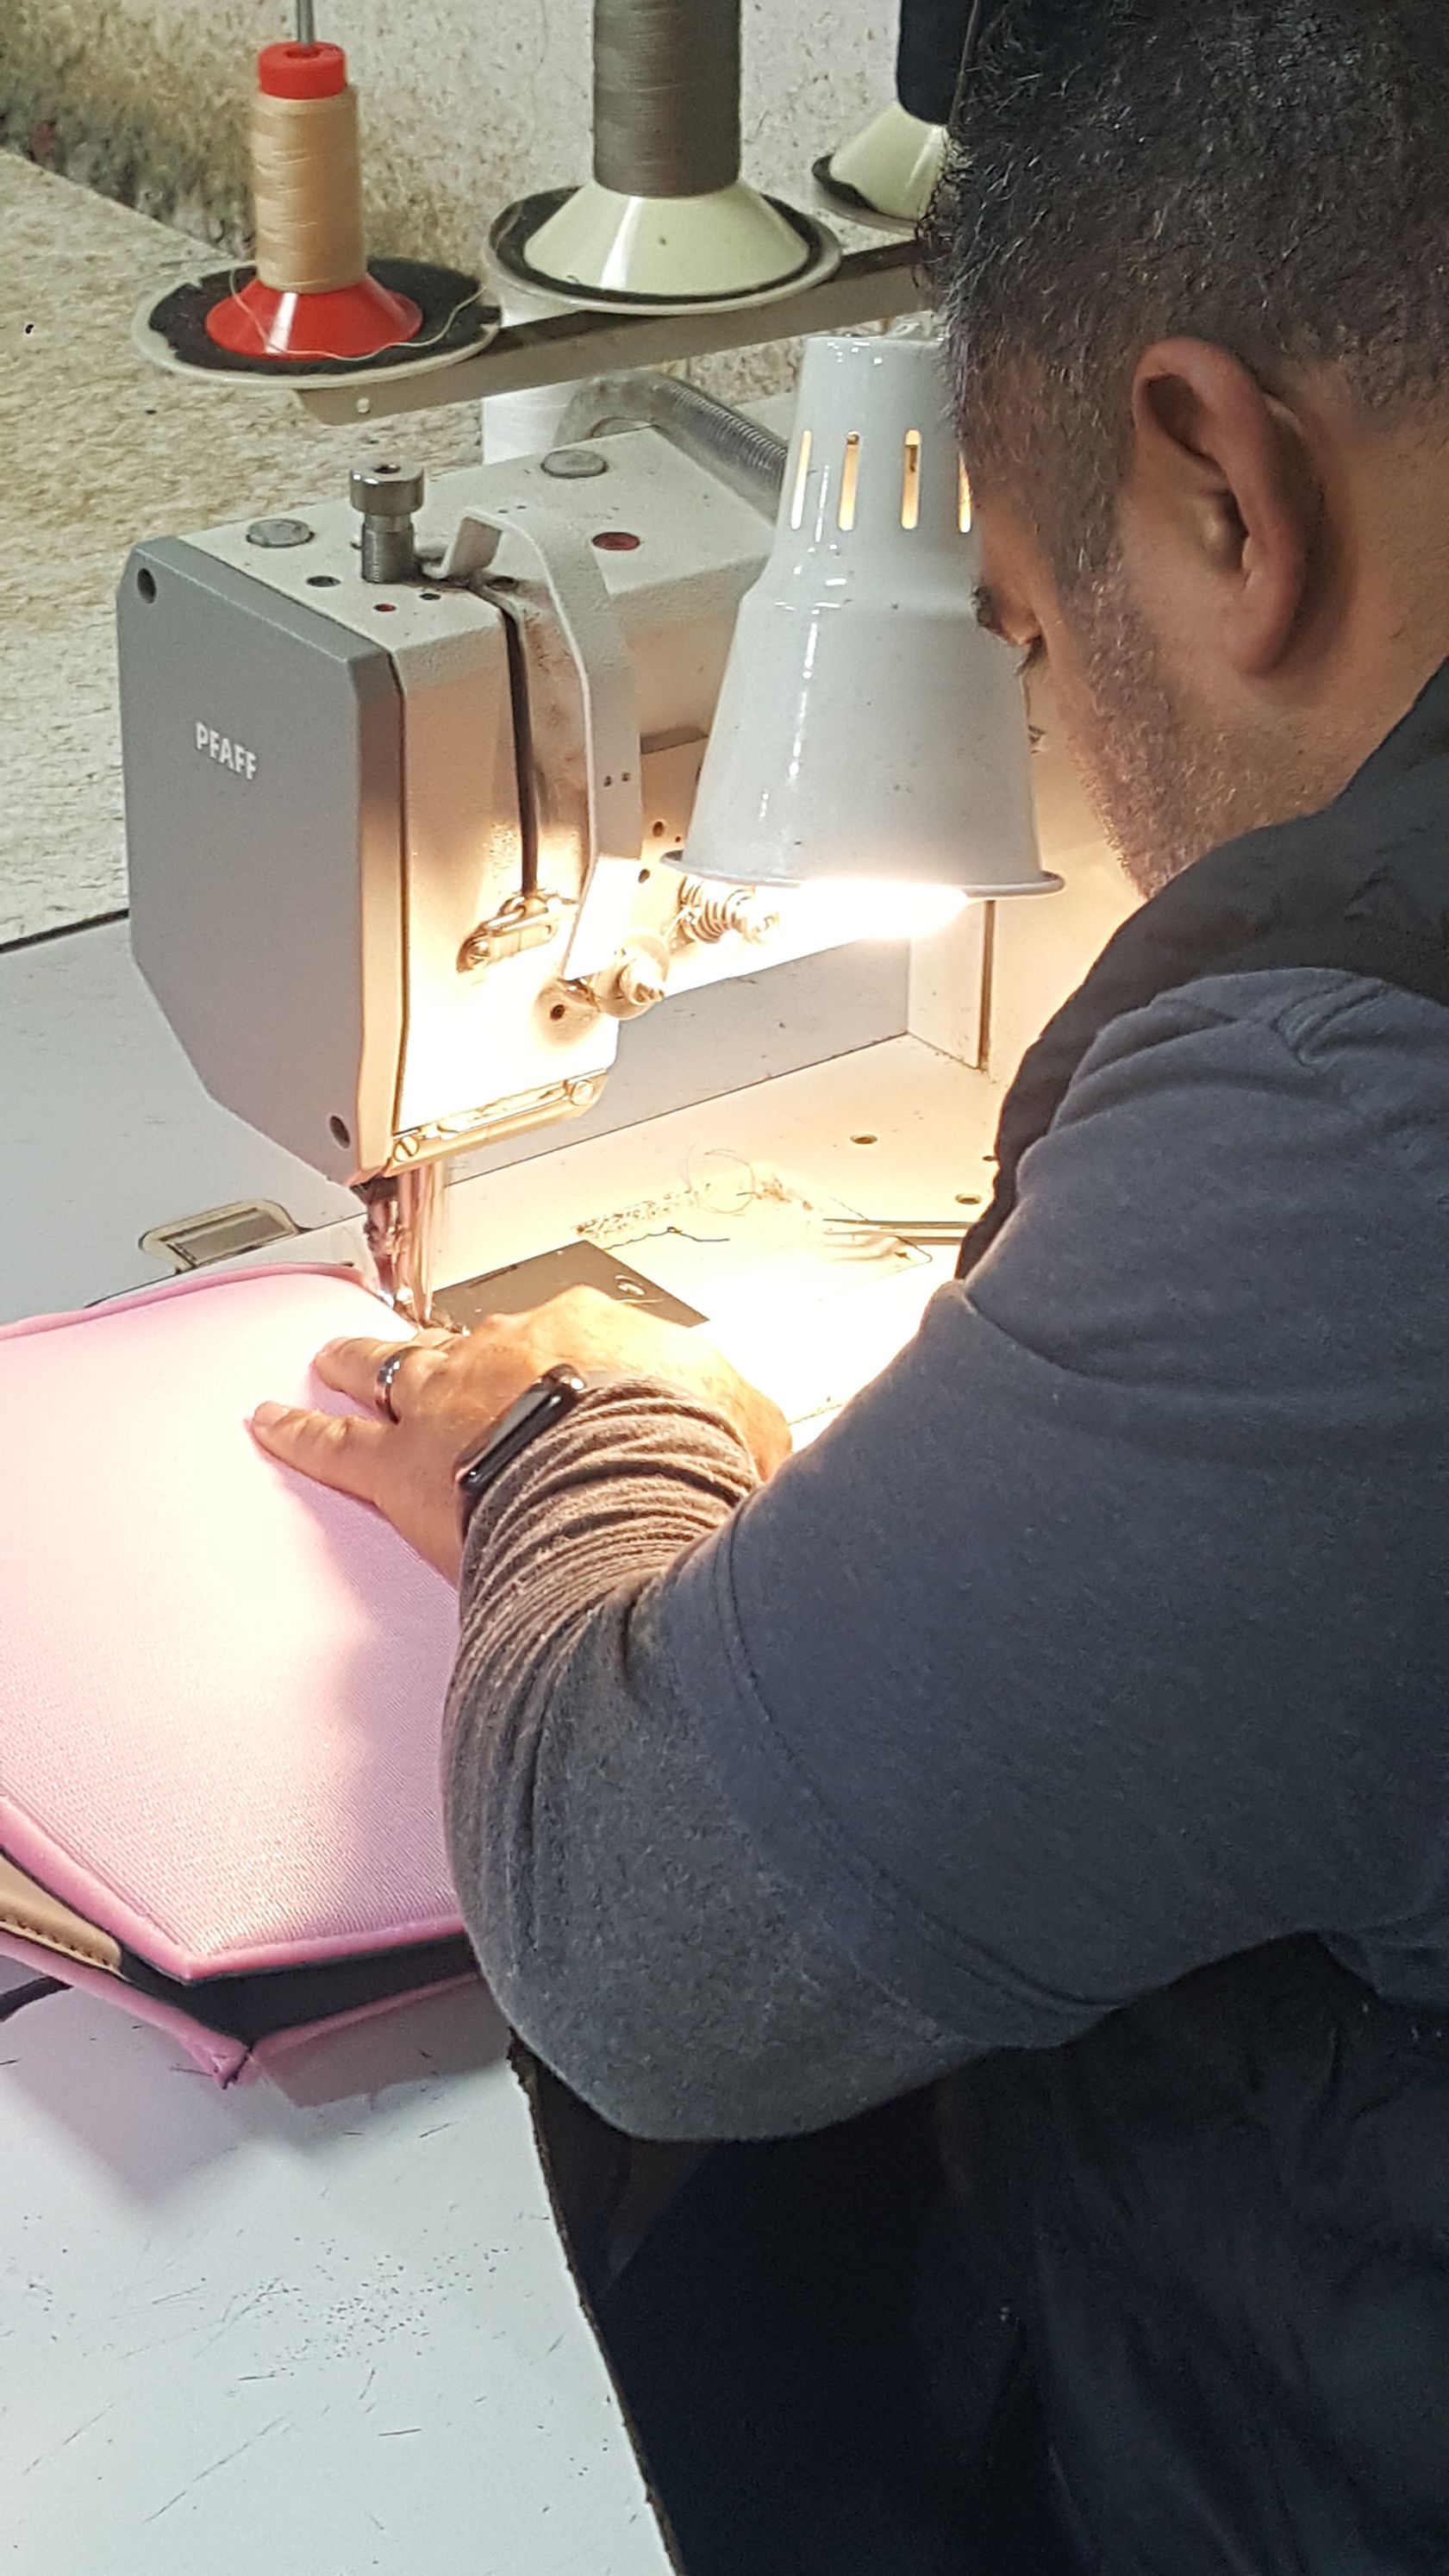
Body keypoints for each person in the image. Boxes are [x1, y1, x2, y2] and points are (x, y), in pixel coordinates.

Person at [250, 3, 1449, 2565]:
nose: (1044, 711)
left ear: (1211, 477)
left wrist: (598, 1415)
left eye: (1014, 628)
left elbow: (637, 1929)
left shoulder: (1364, 1150)